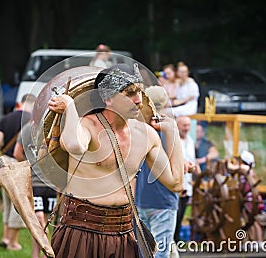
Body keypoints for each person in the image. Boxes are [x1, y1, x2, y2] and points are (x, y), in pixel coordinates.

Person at [48, 63, 184, 257]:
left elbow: (176, 183)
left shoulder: (146, 135)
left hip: (123, 233)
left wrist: (173, 133)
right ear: (108, 98)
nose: (139, 100)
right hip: (80, 230)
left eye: (139, 91)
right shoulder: (87, 126)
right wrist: (70, 107)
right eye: (129, 93)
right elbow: (74, 146)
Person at [135, 86, 178, 258]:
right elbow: (175, 164)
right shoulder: (167, 129)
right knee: (161, 253)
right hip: (163, 201)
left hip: (140, 199)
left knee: (142, 251)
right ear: (165, 103)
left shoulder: (138, 129)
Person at [0, 93, 36, 250]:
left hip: (2, 162)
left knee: (6, 202)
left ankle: (5, 238)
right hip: (18, 163)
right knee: (18, 204)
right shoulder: (31, 121)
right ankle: (12, 242)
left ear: (20, 103)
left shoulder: (6, 118)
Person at [13, 122, 58, 258]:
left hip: (49, 184)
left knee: (45, 221)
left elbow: (17, 153)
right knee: (40, 220)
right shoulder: (30, 129)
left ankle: (45, 253)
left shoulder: (53, 128)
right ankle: (38, 254)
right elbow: (17, 153)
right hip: (38, 183)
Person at [174, 115, 197, 242]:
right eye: (184, 125)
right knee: (175, 213)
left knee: (182, 213)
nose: (187, 128)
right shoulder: (173, 140)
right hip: (175, 183)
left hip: (187, 184)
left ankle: (176, 240)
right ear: (177, 126)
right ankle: (172, 240)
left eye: (188, 125)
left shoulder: (191, 141)